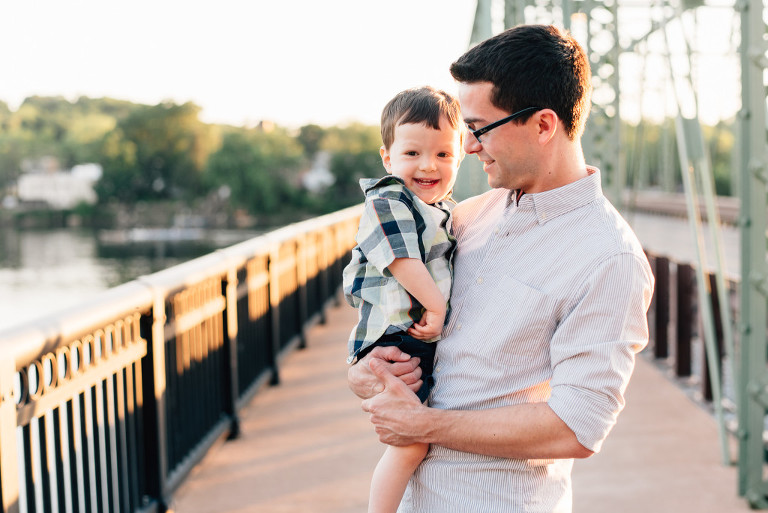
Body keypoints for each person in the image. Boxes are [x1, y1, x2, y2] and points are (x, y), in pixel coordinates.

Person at [348, 24, 654, 513]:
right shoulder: (469, 215)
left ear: (543, 124)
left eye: (479, 128)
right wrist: (367, 372)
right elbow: (390, 303)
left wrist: (427, 427)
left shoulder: (609, 259)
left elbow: (579, 426)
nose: (468, 146)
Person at [342, 86, 464, 513]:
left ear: (461, 155)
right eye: (412, 153)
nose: (428, 165)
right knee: (411, 443)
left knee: (415, 441)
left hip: (411, 338)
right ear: (387, 158)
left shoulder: (445, 208)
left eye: (443, 155)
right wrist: (436, 306)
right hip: (394, 338)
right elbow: (401, 260)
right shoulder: (388, 198)